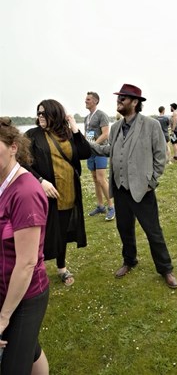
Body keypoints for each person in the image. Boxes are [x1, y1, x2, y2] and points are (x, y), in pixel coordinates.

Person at [90, 84, 177, 289]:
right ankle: (130, 260)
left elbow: (161, 156)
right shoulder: (116, 127)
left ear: (135, 102)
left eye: (123, 98)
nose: (118, 101)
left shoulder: (151, 125)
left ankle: (165, 268)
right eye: (119, 98)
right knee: (124, 228)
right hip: (120, 189)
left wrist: (151, 182)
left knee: (153, 231)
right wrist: (88, 144)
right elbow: (110, 150)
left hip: (142, 189)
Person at [0, 117, 49, 375]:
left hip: (25, 294)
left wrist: (3, 317)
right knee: (30, 348)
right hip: (4, 286)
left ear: (13, 147)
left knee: (12, 367)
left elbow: (27, 262)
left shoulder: (25, 192)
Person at [25, 99, 91, 287]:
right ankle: (34, 269)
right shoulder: (32, 135)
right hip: (43, 195)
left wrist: (75, 129)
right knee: (37, 235)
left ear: (55, 113)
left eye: (44, 113)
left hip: (67, 193)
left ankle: (61, 268)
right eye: (38, 113)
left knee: (61, 232)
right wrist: (40, 181)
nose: (40, 116)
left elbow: (85, 153)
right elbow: (22, 162)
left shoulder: (68, 134)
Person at [84, 91, 115, 221]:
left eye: (88, 99)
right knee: (95, 179)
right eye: (85, 99)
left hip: (100, 151)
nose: (86, 101)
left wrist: (93, 145)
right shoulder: (86, 118)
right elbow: (87, 134)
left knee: (102, 179)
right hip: (90, 153)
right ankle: (100, 206)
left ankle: (111, 207)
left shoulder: (102, 115)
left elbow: (105, 134)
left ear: (95, 101)